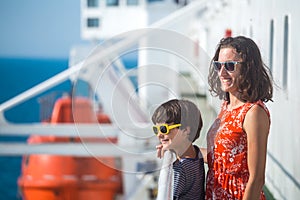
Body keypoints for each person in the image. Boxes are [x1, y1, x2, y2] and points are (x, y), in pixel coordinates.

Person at [205, 36, 273, 199]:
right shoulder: (226, 107)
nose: (222, 72)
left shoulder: (253, 113)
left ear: (248, 68)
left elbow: (257, 179)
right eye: (218, 65)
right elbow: (219, 158)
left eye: (229, 66)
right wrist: (181, 147)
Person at [152, 99, 205, 200]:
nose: (159, 135)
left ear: (186, 130)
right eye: (156, 130)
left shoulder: (181, 169)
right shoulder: (196, 153)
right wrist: (169, 147)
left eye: (164, 129)